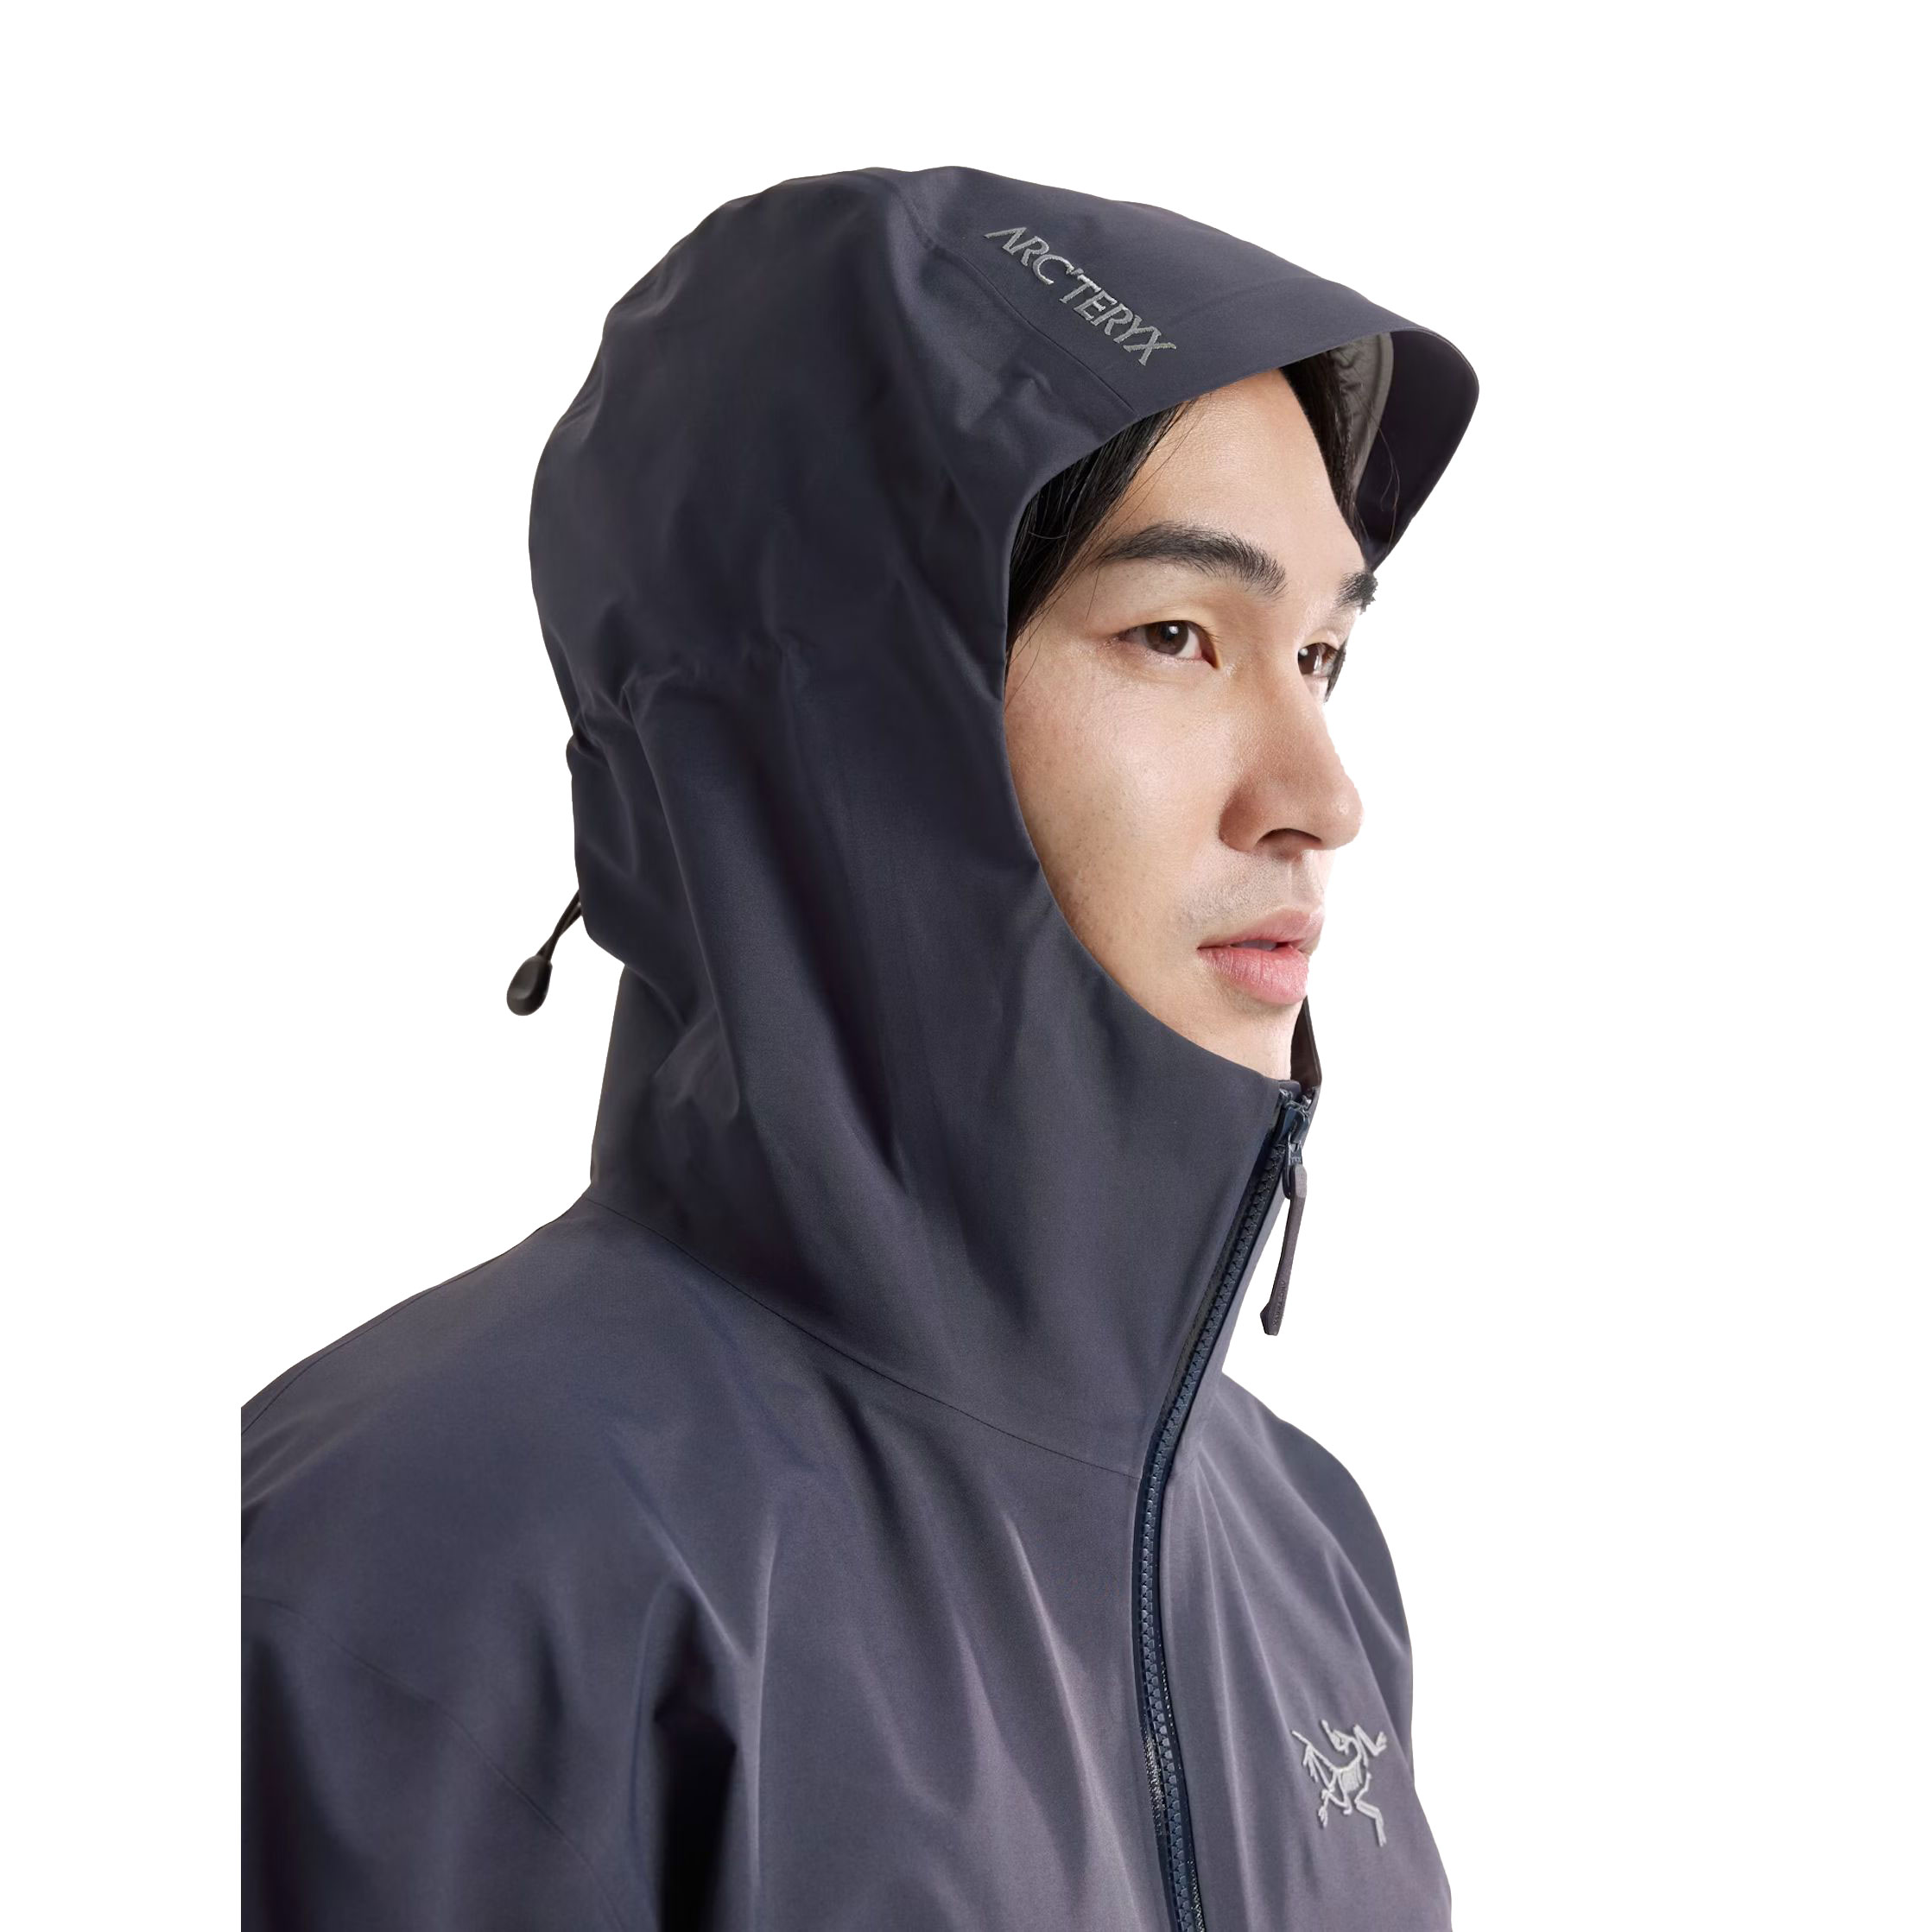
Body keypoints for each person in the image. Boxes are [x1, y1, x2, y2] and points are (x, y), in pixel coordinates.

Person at [241, 162, 1478, 1929]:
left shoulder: (1304, 1550)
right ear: (851, 722)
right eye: (1177, 636)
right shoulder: (429, 1558)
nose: (1320, 794)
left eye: (1324, 657)